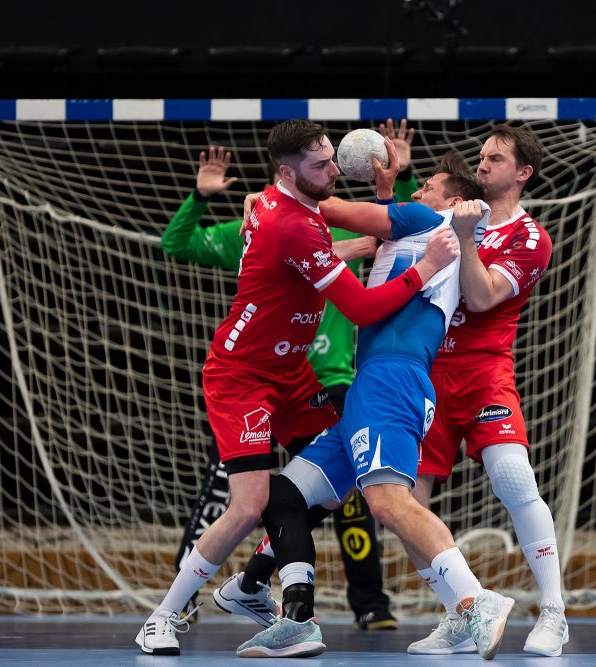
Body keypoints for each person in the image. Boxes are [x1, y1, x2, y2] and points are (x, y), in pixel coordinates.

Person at [135, 119, 458, 656]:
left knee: (333, 477)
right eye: (321, 165)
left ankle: (257, 586)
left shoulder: (278, 203)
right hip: (242, 376)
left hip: (291, 374)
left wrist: (378, 222)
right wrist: (426, 266)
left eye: (333, 158)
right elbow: (360, 307)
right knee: (248, 505)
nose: (334, 170)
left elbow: (326, 244)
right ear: (286, 171)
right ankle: (164, 616)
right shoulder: (294, 225)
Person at [235, 151, 516, 660]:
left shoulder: (428, 220)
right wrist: (385, 193)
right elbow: (386, 241)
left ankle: (475, 599)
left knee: (387, 502)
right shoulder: (427, 229)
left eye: (424, 185)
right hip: (380, 382)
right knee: (286, 496)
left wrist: (272, 200)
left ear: (451, 201)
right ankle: (294, 620)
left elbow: (332, 209)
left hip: (389, 379)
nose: (414, 192)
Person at [405, 123, 567, 658]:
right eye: (480, 157)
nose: (483, 164)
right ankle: (462, 612)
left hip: (483, 373)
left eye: (496, 158)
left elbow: (480, 298)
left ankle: (553, 612)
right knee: (404, 506)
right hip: (425, 374)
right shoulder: (445, 219)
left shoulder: (529, 238)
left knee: (514, 477)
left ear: (522, 172)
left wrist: (467, 235)